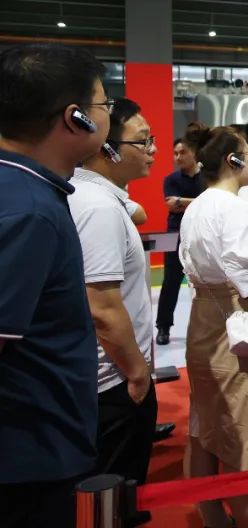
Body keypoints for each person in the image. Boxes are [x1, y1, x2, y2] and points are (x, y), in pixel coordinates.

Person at [0, 44, 109, 527]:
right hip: (30, 459)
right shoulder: (29, 211)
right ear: (75, 118)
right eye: (103, 104)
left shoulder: (28, 191)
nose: (107, 115)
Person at [179, 125, 248, 528]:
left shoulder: (197, 206)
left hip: (202, 319)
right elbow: (243, 270)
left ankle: (213, 517)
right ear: (234, 160)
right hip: (235, 323)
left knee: (204, 426)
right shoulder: (234, 207)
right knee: (243, 432)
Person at [69, 98, 159, 491]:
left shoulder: (94, 197)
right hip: (113, 381)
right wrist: (137, 373)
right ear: (108, 148)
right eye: (143, 141)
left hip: (105, 376)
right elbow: (102, 307)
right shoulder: (98, 208)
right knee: (114, 495)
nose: (153, 149)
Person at [156, 127, 206, 345]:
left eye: (182, 152)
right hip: (175, 236)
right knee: (171, 282)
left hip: (201, 235)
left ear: (194, 153)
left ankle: (205, 329)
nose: (178, 157)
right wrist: (200, 201)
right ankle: (163, 327)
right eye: (175, 153)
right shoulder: (171, 179)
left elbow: (179, 203)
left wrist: (182, 201)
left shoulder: (206, 178)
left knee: (205, 282)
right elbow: (171, 204)